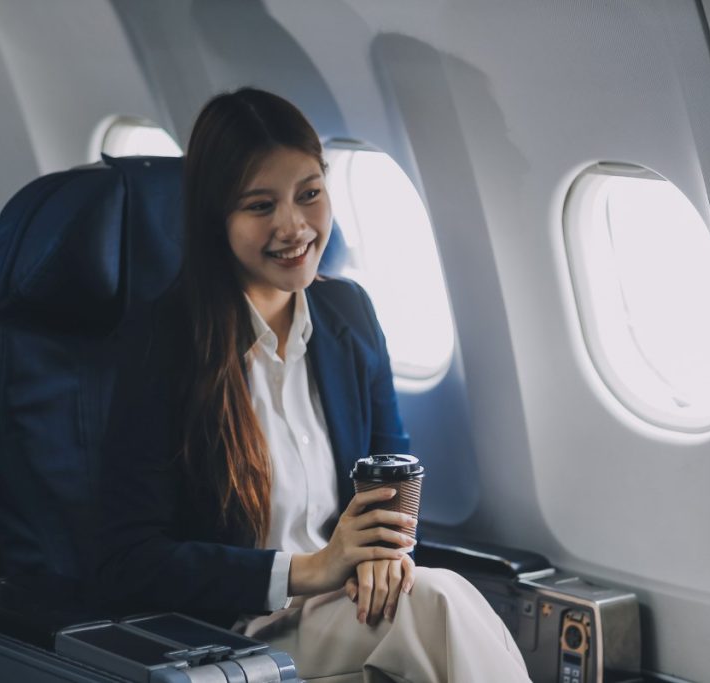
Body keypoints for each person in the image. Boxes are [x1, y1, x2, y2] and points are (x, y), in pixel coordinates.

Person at [96, 87, 531, 683]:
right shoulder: (165, 342)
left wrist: (383, 553)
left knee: (437, 603)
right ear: (213, 218)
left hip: (343, 610)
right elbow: (129, 559)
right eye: (259, 206)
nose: (294, 227)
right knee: (438, 606)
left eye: (309, 195)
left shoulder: (347, 314)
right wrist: (311, 569)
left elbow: (392, 475)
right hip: (231, 633)